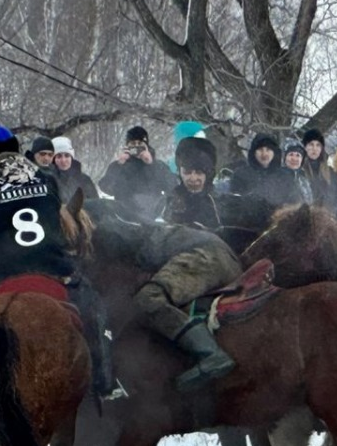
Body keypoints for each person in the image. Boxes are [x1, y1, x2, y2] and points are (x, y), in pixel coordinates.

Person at [0, 125, 119, 399]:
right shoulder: (46, 179)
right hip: (53, 269)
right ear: (16, 149)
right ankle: (104, 382)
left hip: (2, 274)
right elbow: (60, 226)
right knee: (95, 310)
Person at [90, 207, 245, 391]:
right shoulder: (142, 226)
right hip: (221, 256)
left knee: (148, 299)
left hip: (206, 255)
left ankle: (211, 354)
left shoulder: (112, 231)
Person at [98, 125, 172, 221]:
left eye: (140, 143)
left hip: (152, 218)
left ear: (146, 146)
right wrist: (119, 165)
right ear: (127, 146)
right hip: (125, 217)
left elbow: (171, 187)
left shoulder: (158, 165)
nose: (136, 147)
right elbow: (106, 188)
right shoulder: (118, 166)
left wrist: (151, 164)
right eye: (133, 143)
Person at [229, 133, 303, 207]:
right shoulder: (241, 175)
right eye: (260, 150)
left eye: (268, 150)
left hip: (280, 217)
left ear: (275, 152)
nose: (264, 154)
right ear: (253, 152)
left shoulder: (286, 177)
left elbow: (295, 205)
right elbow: (234, 203)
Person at [164, 136, 222, 229]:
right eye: (187, 172)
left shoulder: (220, 203)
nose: (193, 178)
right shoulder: (167, 202)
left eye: (199, 172)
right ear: (179, 172)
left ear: (208, 174)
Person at [47, 136, 100, 202]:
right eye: (59, 156)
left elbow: (95, 203)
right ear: (54, 159)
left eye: (67, 156)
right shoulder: (47, 180)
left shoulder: (84, 180)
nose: (63, 160)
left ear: (71, 157)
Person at [299, 127, 335, 208]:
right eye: (311, 144)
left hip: (327, 215)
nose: (314, 149)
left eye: (318, 145)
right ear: (305, 147)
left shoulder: (330, 171)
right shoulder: (300, 170)